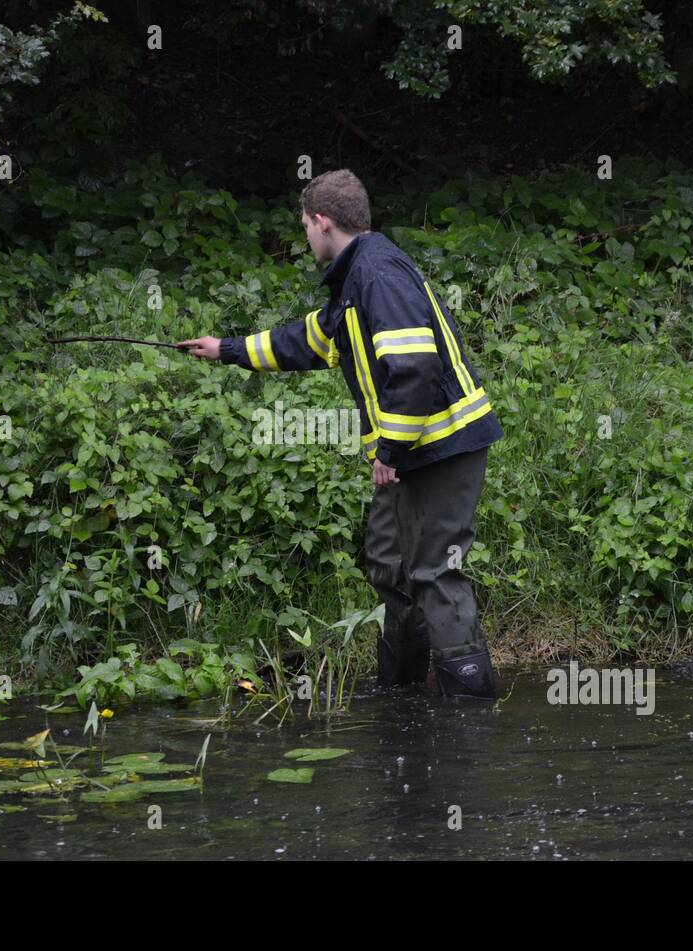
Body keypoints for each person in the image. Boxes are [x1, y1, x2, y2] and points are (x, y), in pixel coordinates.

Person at [179, 169, 503, 700]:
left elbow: (415, 367)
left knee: (433, 572)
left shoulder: (377, 275)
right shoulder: (355, 279)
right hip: (412, 451)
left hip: (443, 447)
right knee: (389, 564)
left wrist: (388, 451)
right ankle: (401, 696)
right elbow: (310, 340)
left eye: (305, 225)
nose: (305, 236)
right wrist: (227, 349)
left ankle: (468, 710)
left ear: (322, 222)